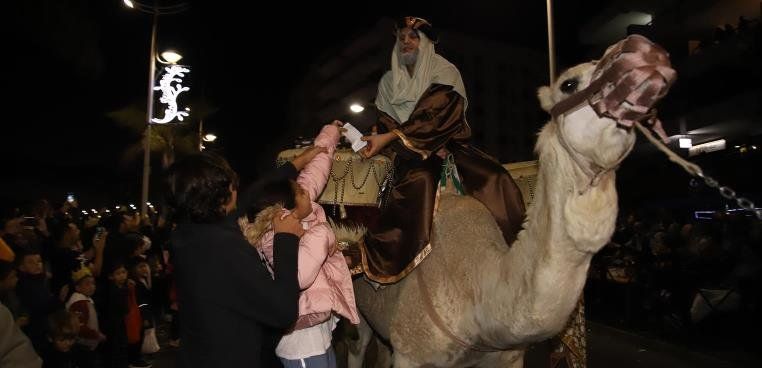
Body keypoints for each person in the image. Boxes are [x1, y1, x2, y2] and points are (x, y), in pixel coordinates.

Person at [358, 16, 526, 283]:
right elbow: (386, 120)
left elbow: (437, 116)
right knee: (420, 182)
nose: (406, 43)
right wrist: (379, 136)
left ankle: (520, 261)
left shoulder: (445, 72)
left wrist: (395, 136)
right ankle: (386, 265)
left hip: (449, 147)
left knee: (495, 179)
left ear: (426, 43)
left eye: (413, 37)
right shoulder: (388, 83)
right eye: (401, 38)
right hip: (408, 155)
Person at [166, 148, 324, 368]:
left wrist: (299, 162)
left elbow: (254, 191)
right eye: (232, 186)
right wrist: (285, 240)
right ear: (223, 197)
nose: (237, 191)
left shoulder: (186, 234)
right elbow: (282, 312)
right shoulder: (225, 248)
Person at [241, 122, 359, 367]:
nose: (307, 192)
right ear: (286, 210)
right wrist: (325, 235)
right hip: (299, 340)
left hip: (317, 329)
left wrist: (332, 132)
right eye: (301, 193)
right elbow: (299, 275)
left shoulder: (298, 213)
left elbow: (316, 172)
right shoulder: (273, 237)